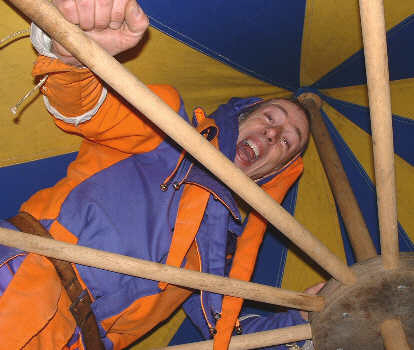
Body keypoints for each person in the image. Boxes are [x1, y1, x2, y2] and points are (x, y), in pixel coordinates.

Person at [0, 0, 317, 349]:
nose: (273, 134)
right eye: (270, 118)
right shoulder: (165, 128)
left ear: (273, 173)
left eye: (287, 141)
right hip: (24, 278)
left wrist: (305, 319)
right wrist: (73, 50)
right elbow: (84, 105)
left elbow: (227, 335)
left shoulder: (214, 252)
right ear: (240, 116)